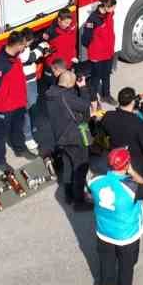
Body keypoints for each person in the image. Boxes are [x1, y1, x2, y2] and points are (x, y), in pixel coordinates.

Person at [88, 148, 143, 285]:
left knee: (106, 261)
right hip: (126, 233)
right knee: (126, 265)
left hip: (104, 231)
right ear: (127, 163)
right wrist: (133, 172)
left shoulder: (95, 181)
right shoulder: (131, 186)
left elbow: (89, 195)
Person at [39, 67, 92, 210]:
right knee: (80, 168)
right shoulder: (67, 96)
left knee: (68, 165)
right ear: (70, 85)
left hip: (60, 137)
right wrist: (83, 88)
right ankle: (79, 201)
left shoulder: (52, 94)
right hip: (74, 138)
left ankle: (68, 195)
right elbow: (86, 106)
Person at [0, 30, 32, 170]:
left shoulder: (14, 56)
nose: (25, 48)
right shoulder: (0, 63)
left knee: (18, 128)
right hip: (5, 107)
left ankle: (20, 149)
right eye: (24, 46)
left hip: (18, 103)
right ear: (17, 45)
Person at [100, 88, 143, 178]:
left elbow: (102, 133)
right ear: (133, 102)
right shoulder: (138, 123)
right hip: (135, 162)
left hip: (115, 157)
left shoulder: (108, 116)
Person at [80, 0, 118, 107]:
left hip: (108, 52)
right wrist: (94, 48)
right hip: (97, 55)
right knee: (95, 78)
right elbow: (85, 39)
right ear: (106, 7)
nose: (115, 9)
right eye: (113, 6)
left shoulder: (109, 14)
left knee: (106, 75)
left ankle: (106, 95)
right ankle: (93, 100)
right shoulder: (92, 20)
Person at [43, 8, 80, 73]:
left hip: (68, 64)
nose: (68, 25)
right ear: (59, 20)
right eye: (66, 23)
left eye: (69, 23)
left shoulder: (71, 27)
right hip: (56, 68)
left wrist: (73, 56)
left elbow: (71, 45)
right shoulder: (52, 32)